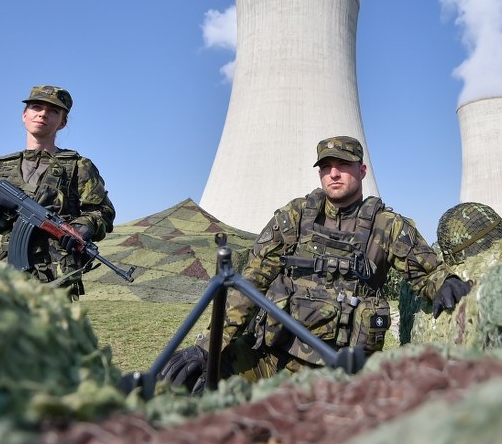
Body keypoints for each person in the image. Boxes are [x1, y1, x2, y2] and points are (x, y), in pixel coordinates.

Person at [160, 135, 470, 391]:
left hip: (336, 373)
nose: (334, 174)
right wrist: (209, 347)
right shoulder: (295, 217)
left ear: (362, 170)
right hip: (271, 358)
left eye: (343, 165)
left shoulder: (387, 226)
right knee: (190, 381)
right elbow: (251, 282)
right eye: (326, 167)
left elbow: (427, 273)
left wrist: (445, 284)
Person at [0, 85, 116, 299]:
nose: (42, 114)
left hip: (50, 283)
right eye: (36, 107)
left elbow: (103, 211)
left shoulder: (78, 167)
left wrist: (82, 228)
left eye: (53, 111)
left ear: (63, 122)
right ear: (24, 114)